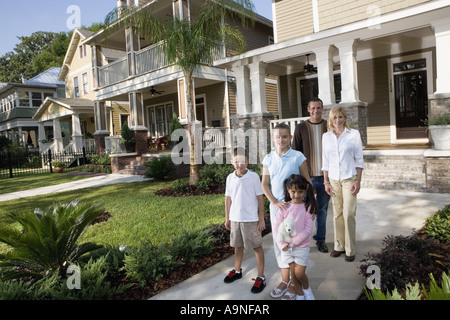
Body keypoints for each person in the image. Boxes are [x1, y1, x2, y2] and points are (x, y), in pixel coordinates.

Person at [261, 123, 311, 299]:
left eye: (284, 136)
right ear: (272, 139)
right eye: (277, 137)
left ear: (290, 138)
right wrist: (274, 202)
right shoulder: (268, 158)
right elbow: (264, 184)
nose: (281, 140)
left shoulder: (298, 157)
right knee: (280, 245)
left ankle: (294, 283)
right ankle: (285, 280)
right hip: (277, 209)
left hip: (295, 210)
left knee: (295, 245)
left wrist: (310, 205)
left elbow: (307, 181)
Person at [322, 106, 364, 262]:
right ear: (331, 120)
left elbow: (359, 160)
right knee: (337, 214)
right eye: (334, 118)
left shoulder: (353, 135)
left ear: (345, 118)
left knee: (349, 214)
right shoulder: (326, 137)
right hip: (333, 180)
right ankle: (339, 246)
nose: (337, 120)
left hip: (349, 179)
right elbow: (325, 161)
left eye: (340, 117)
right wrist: (326, 181)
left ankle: (350, 249)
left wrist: (358, 180)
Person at [224, 147, 266, 293]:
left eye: (242, 161)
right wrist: (227, 218)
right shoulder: (230, 178)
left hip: (250, 219)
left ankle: (261, 277)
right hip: (235, 219)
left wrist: (261, 219)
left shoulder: (254, 176)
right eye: (236, 161)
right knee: (237, 246)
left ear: (247, 161)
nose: (239, 164)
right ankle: (237, 271)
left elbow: (260, 198)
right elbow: (228, 199)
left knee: (257, 247)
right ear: (231, 162)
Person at [292, 98, 331, 253]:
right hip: (307, 177)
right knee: (302, 210)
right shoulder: (301, 127)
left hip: (325, 178)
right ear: (308, 109)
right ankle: (300, 240)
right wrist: (299, 177)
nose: (316, 111)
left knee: (322, 210)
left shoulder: (328, 126)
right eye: (313, 108)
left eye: (319, 108)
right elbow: (296, 152)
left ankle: (320, 240)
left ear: (322, 109)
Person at [273, 174, 317, 300]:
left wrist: (291, 243)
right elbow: (276, 227)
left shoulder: (307, 207)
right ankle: (299, 294)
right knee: (293, 273)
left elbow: (307, 230)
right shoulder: (285, 207)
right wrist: (282, 244)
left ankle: (307, 289)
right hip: (286, 248)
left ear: (305, 191)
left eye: (300, 192)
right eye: (293, 191)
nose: (296, 195)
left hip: (301, 247)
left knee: (299, 273)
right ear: (288, 190)